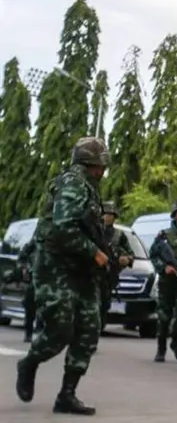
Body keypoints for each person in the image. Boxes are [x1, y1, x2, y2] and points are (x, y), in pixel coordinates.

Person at [15, 136, 111, 415]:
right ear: (91, 163)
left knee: (88, 331)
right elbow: (62, 229)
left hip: (82, 272)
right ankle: (30, 362)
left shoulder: (91, 189)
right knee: (60, 331)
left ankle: (67, 394)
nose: (103, 169)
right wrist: (94, 252)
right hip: (56, 269)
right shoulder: (73, 183)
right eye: (100, 163)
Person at [149, 200, 177, 363]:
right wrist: (163, 268)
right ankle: (161, 348)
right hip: (167, 283)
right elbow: (153, 254)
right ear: (175, 215)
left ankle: (175, 342)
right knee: (164, 317)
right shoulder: (164, 235)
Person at [98, 201, 135, 332]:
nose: (107, 217)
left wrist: (126, 259)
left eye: (110, 215)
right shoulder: (94, 232)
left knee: (104, 306)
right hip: (93, 275)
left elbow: (131, 254)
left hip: (109, 277)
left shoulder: (119, 235)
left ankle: (96, 333)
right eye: (105, 214)